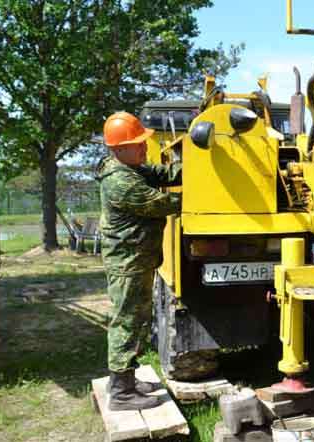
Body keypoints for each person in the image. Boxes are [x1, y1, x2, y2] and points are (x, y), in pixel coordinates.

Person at [97, 111, 182, 411]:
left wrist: (190, 168)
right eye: (138, 143)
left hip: (136, 259)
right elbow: (159, 203)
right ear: (119, 148)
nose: (145, 147)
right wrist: (200, 198)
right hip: (128, 262)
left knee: (135, 320)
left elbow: (160, 174)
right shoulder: (120, 181)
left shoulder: (129, 168)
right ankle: (121, 393)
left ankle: (125, 380)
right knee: (127, 323)